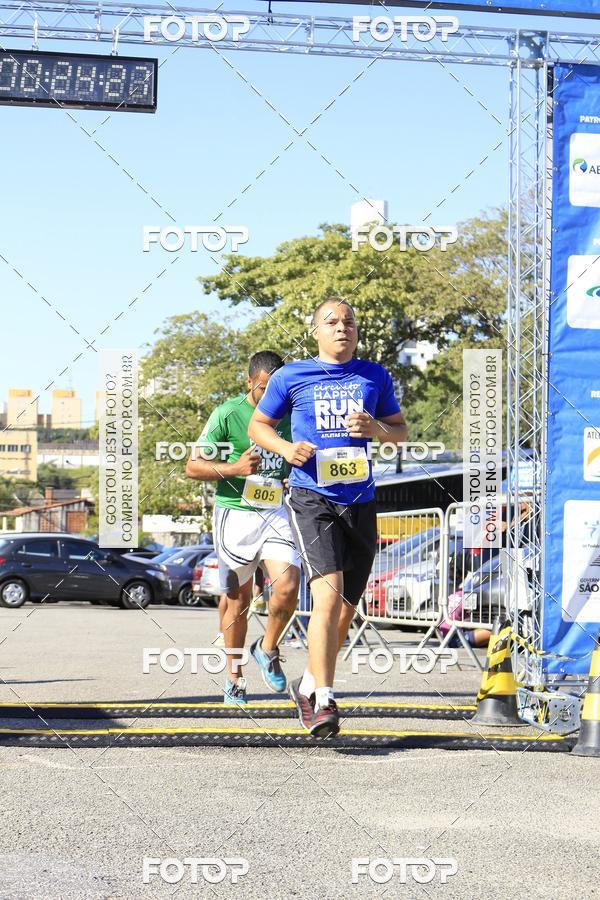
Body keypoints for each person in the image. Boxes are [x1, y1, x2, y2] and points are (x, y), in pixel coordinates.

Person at [248, 299, 407, 738]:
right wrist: (284, 449)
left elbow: (400, 431)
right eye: (332, 322)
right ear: (316, 331)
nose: (343, 328)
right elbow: (259, 426)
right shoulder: (291, 376)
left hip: (360, 500)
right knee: (328, 597)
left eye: (350, 322)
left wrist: (378, 430)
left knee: (344, 612)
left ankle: (308, 684)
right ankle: (325, 700)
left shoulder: (374, 375)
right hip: (310, 498)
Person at [186, 351, 300, 705]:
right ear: (249, 382)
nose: (270, 398)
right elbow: (193, 467)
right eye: (263, 389)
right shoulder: (227, 414)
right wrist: (234, 468)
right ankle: (234, 677)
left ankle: (267, 648)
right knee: (238, 599)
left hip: (275, 509)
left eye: (275, 390)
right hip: (235, 513)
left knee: (288, 585)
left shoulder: (293, 413)